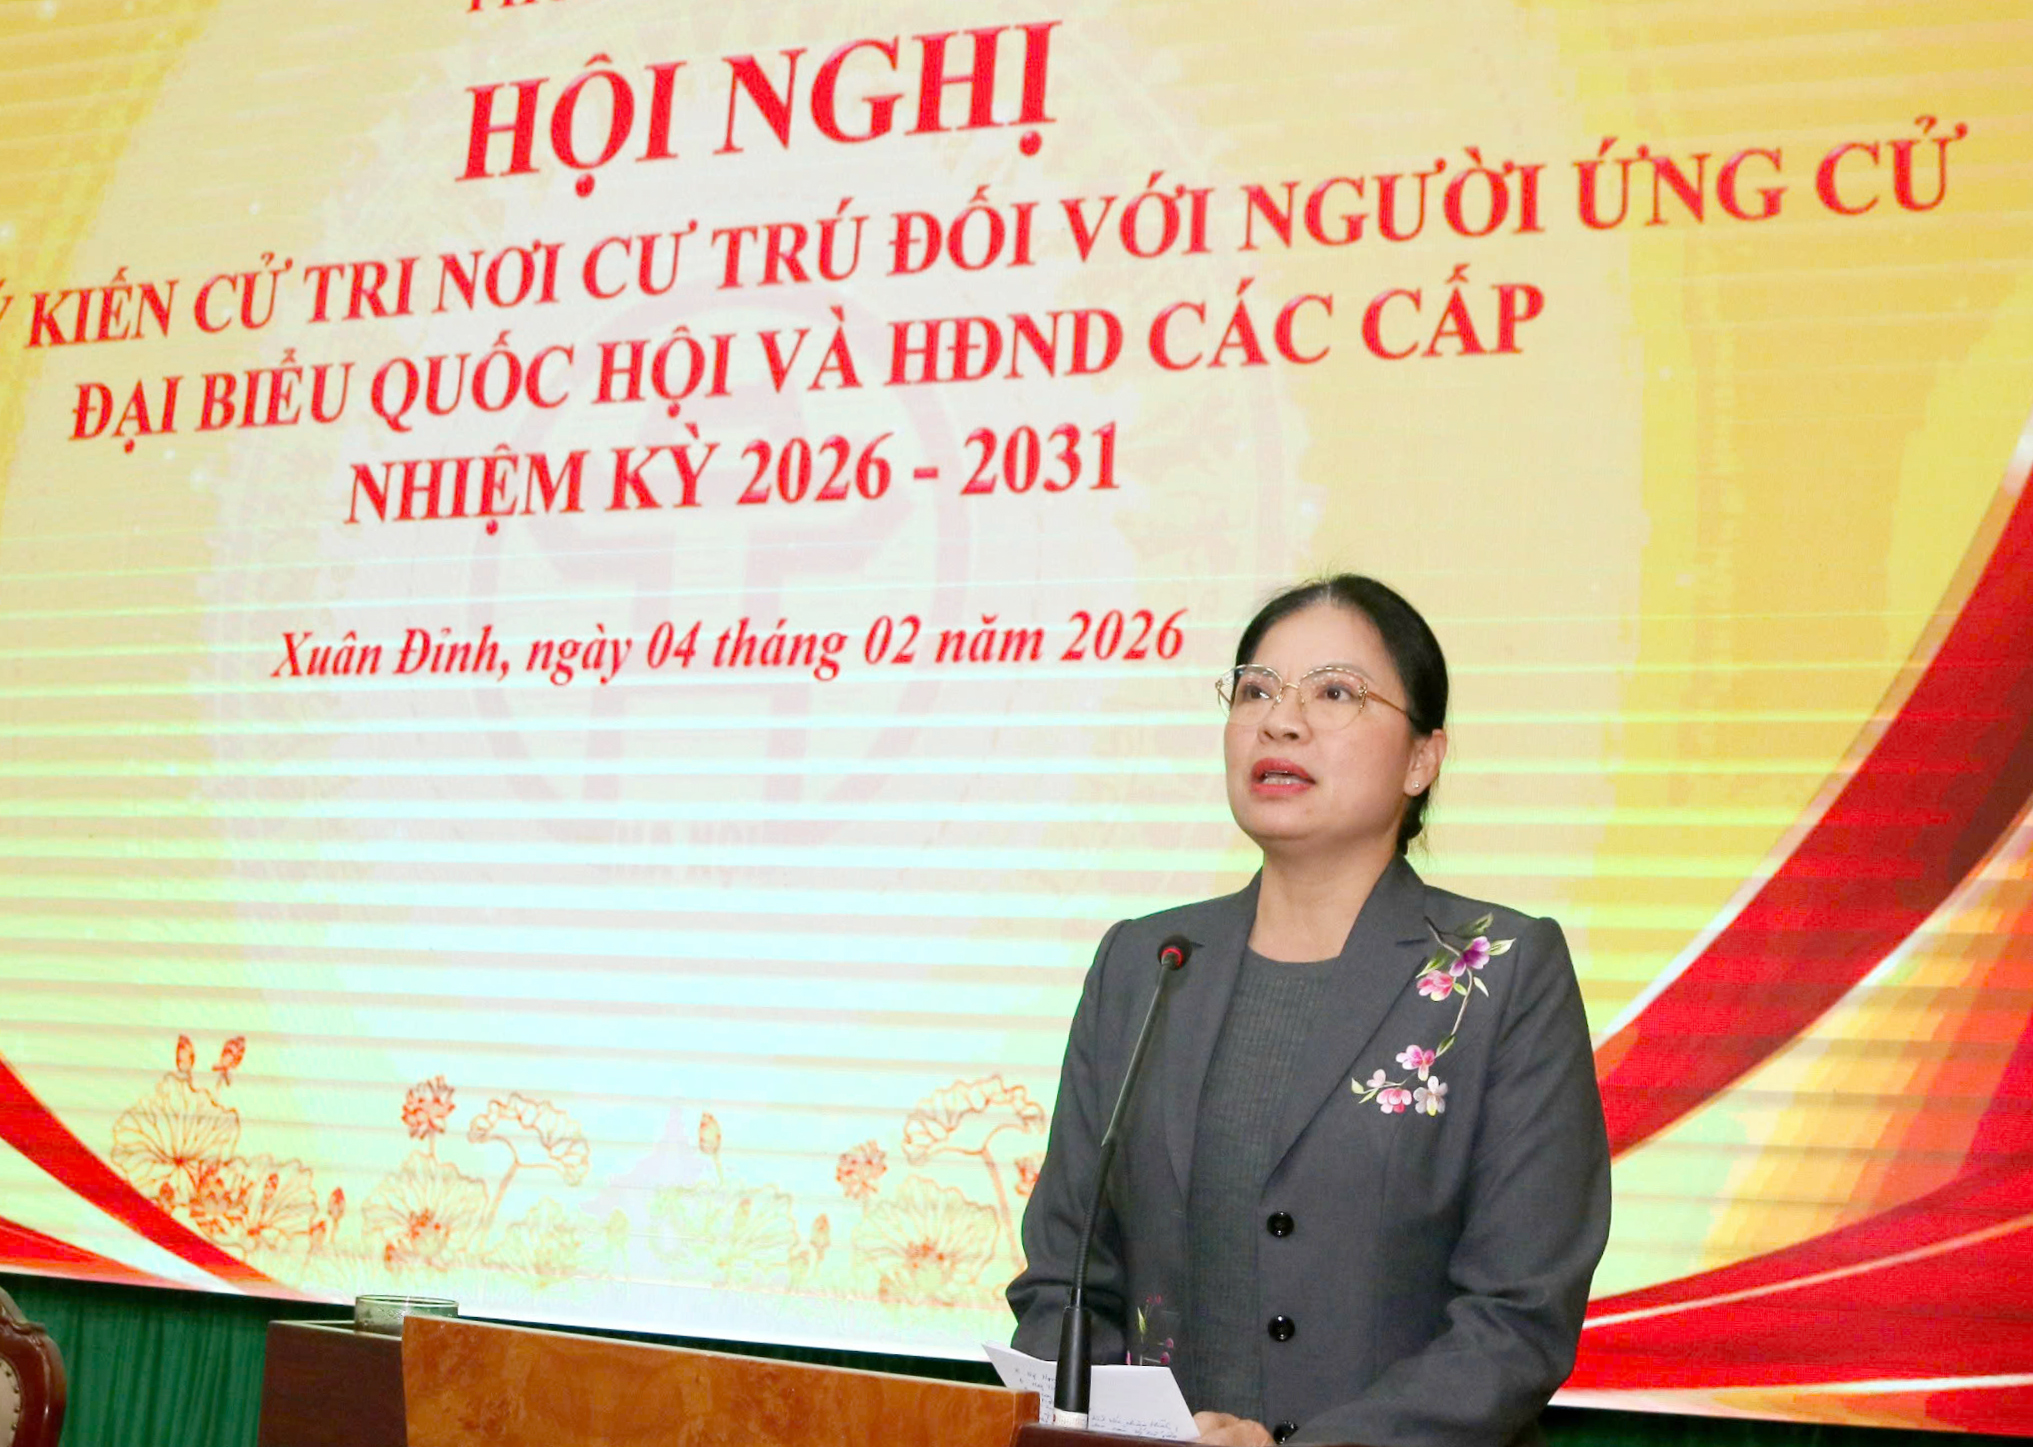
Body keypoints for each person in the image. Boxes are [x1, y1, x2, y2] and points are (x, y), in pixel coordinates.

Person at [1008, 575, 1610, 1447]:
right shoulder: (1146, 965)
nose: (1279, 721)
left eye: (1335, 692)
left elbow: (1516, 1321)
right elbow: (1061, 1288)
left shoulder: (1502, 973)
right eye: (1255, 689)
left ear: (1422, 758)